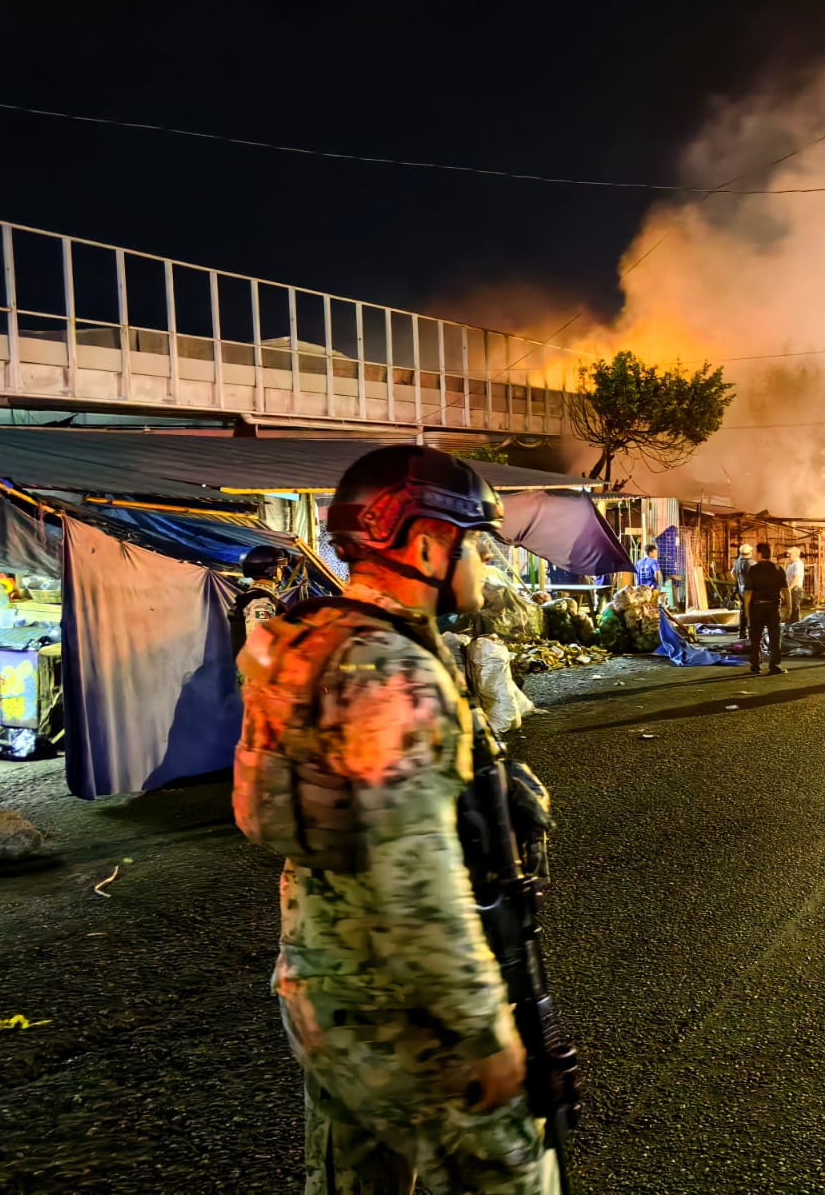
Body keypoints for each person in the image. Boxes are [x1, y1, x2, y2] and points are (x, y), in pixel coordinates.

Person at [232, 445, 556, 1194]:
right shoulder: (394, 672)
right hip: (401, 1014)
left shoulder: (319, 639)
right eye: (471, 541)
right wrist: (484, 1034)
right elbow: (418, 890)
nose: (481, 561)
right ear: (420, 544)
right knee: (509, 1173)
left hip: (318, 985)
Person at [228, 544, 292, 660]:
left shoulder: (253, 597)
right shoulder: (260, 602)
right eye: (280, 568)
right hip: (259, 672)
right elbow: (260, 645)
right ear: (273, 571)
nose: (282, 572)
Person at [744, 542, 788, 675]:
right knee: (775, 637)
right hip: (773, 608)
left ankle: (755, 666)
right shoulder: (778, 569)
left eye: (755, 553)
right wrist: (789, 608)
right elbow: (786, 591)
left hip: (757, 607)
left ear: (760, 554)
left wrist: (746, 611)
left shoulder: (753, 570)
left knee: (755, 638)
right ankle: (775, 665)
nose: (754, 555)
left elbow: (748, 593)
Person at [732, 543, 754, 639]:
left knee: (743, 611)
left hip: (741, 588)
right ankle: (751, 632)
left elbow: (733, 573)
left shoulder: (737, 561)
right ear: (750, 552)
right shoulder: (751, 563)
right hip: (749, 590)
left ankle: (741, 632)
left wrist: (739, 582)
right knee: (751, 610)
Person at [783, 547, 806, 624]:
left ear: (796, 554)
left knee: (794, 611)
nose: (788, 555)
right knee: (792, 610)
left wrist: (789, 589)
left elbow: (796, 577)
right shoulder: (792, 564)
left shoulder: (797, 564)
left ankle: (795, 627)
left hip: (795, 590)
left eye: (790, 553)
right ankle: (793, 626)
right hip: (793, 589)